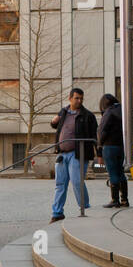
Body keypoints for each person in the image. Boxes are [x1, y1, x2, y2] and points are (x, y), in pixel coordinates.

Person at [49, 87, 98, 222]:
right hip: (62, 154)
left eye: (81, 98)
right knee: (60, 184)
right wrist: (53, 122)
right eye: (76, 98)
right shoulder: (63, 112)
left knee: (77, 182)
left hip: (78, 154)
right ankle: (57, 213)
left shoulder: (88, 115)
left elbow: (95, 136)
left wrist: (99, 154)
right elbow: (57, 126)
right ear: (70, 98)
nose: (79, 101)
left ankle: (85, 208)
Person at [98, 94, 129, 208]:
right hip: (121, 146)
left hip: (109, 146)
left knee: (112, 173)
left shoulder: (108, 113)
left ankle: (115, 200)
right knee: (120, 172)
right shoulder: (123, 111)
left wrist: (99, 146)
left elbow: (102, 131)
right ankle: (124, 200)